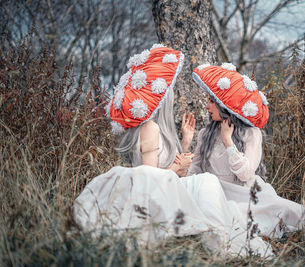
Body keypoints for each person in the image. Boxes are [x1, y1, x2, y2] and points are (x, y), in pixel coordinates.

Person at [72, 46, 273, 257]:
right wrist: (179, 166)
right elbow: (148, 179)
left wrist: (184, 144)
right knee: (207, 183)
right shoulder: (150, 128)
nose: (173, 97)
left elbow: (162, 168)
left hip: (182, 187)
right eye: (170, 94)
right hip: (156, 196)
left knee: (206, 184)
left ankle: (216, 234)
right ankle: (219, 239)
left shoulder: (155, 129)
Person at [190, 63, 305, 242]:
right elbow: (196, 168)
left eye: (211, 101)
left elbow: (245, 174)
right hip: (217, 195)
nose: (207, 106)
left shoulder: (251, 133)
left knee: (285, 210)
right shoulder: (205, 134)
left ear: (224, 105)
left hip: (247, 194)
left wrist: (228, 142)